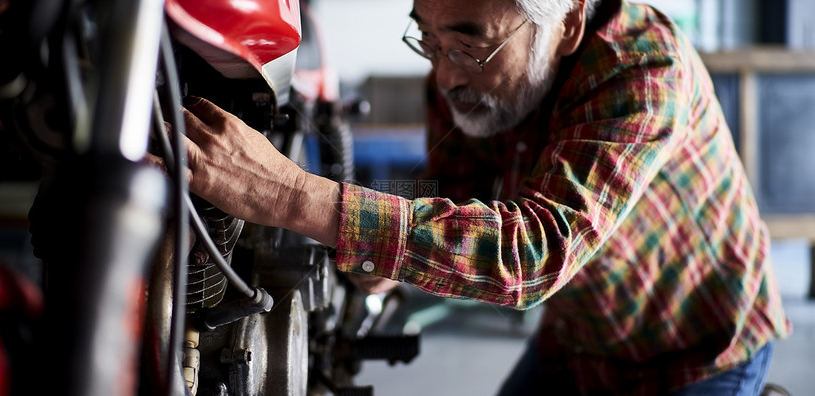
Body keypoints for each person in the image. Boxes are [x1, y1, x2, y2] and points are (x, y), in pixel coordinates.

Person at [160, 0, 792, 393]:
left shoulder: (645, 71)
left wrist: (296, 195)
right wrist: (375, 249)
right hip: (582, 338)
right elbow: (449, 191)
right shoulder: (458, 74)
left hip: (701, 351)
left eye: (467, 46)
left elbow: (535, 252)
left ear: (568, 22)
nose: (445, 74)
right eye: (429, 40)